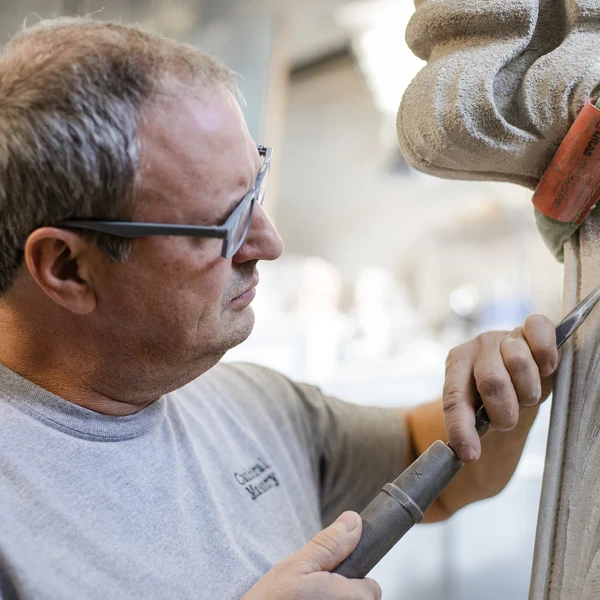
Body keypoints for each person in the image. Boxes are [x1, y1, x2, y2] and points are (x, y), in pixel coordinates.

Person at [0, 17, 558, 600]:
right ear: (67, 268)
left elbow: (436, 465)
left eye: (255, 189)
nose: (269, 244)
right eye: (226, 222)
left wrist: (494, 390)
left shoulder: (252, 405)